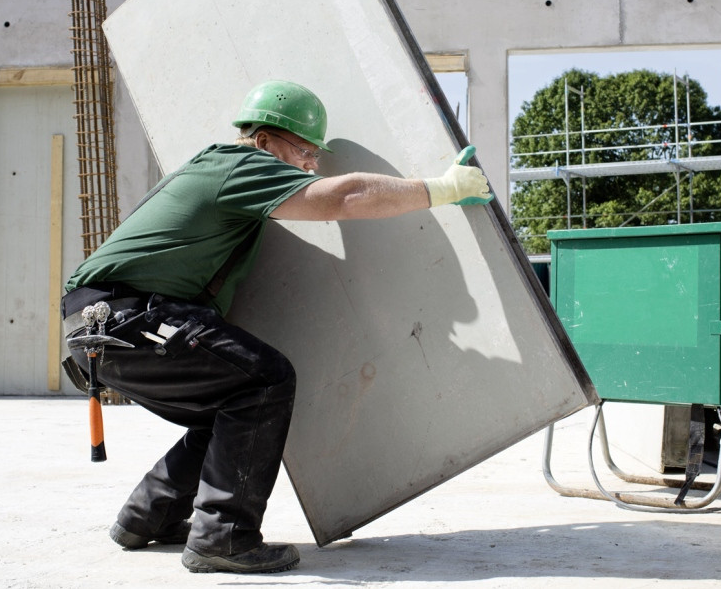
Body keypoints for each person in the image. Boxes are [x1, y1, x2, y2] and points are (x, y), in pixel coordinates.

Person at [61, 80, 492, 574]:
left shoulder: (220, 173)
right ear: (264, 140)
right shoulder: (241, 164)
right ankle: (223, 538)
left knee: (225, 409)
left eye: (315, 155)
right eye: (304, 150)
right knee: (265, 380)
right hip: (129, 320)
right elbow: (344, 197)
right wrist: (443, 189)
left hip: (105, 329)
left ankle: (148, 518)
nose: (310, 163)